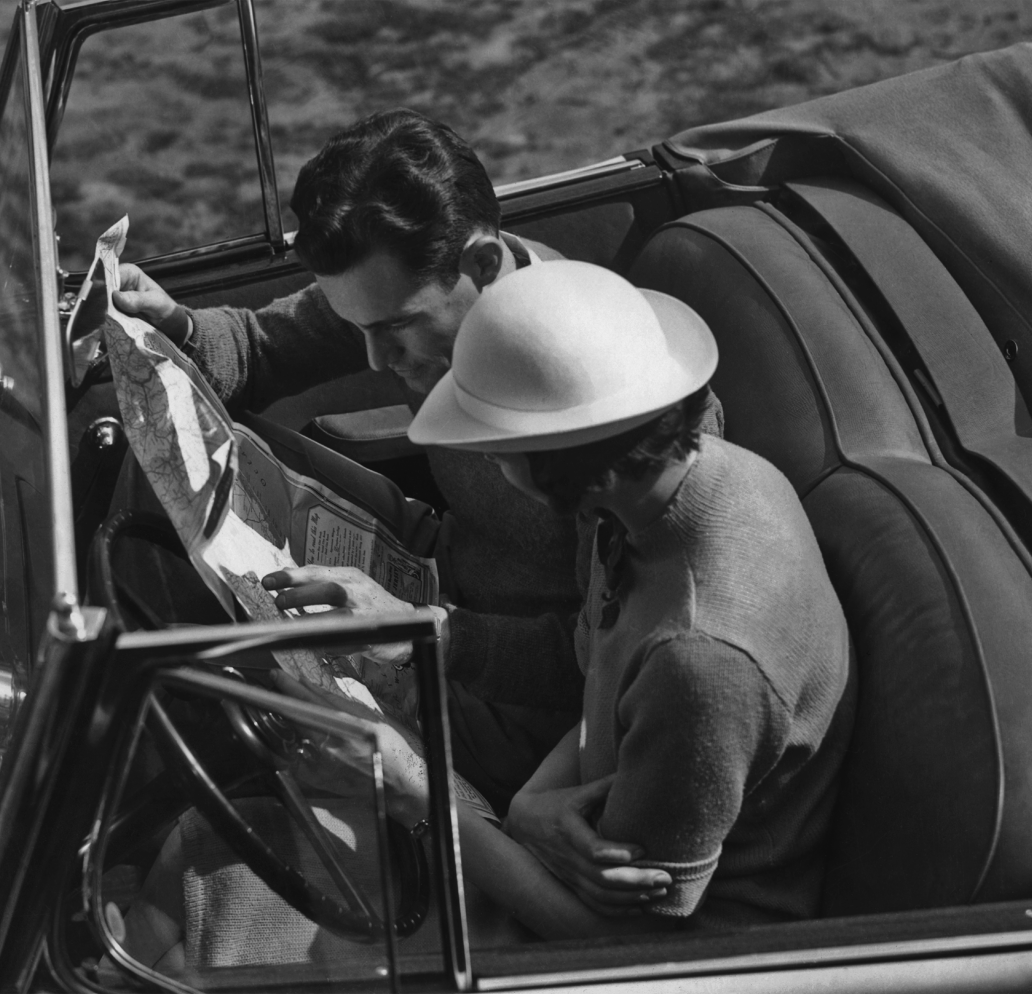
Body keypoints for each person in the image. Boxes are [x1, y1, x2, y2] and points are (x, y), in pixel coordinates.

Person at [116, 107, 720, 863]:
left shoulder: (608, 402)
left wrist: (419, 631)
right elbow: (267, 346)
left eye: (394, 330)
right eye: (357, 325)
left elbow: (604, 664)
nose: (373, 358)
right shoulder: (402, 292)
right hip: (439, 570)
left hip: (516, 699)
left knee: (226, 712)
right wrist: (174, 324)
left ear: (485, 264)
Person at [276, 260, 855, 934]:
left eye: (490, 446)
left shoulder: (702, 661)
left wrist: (416, 792)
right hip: (558, 851)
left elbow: (627, 947)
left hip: (670, 955)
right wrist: (526, 805)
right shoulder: (642, 495)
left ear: (549, 459)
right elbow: (598, 674)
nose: (484, 461)